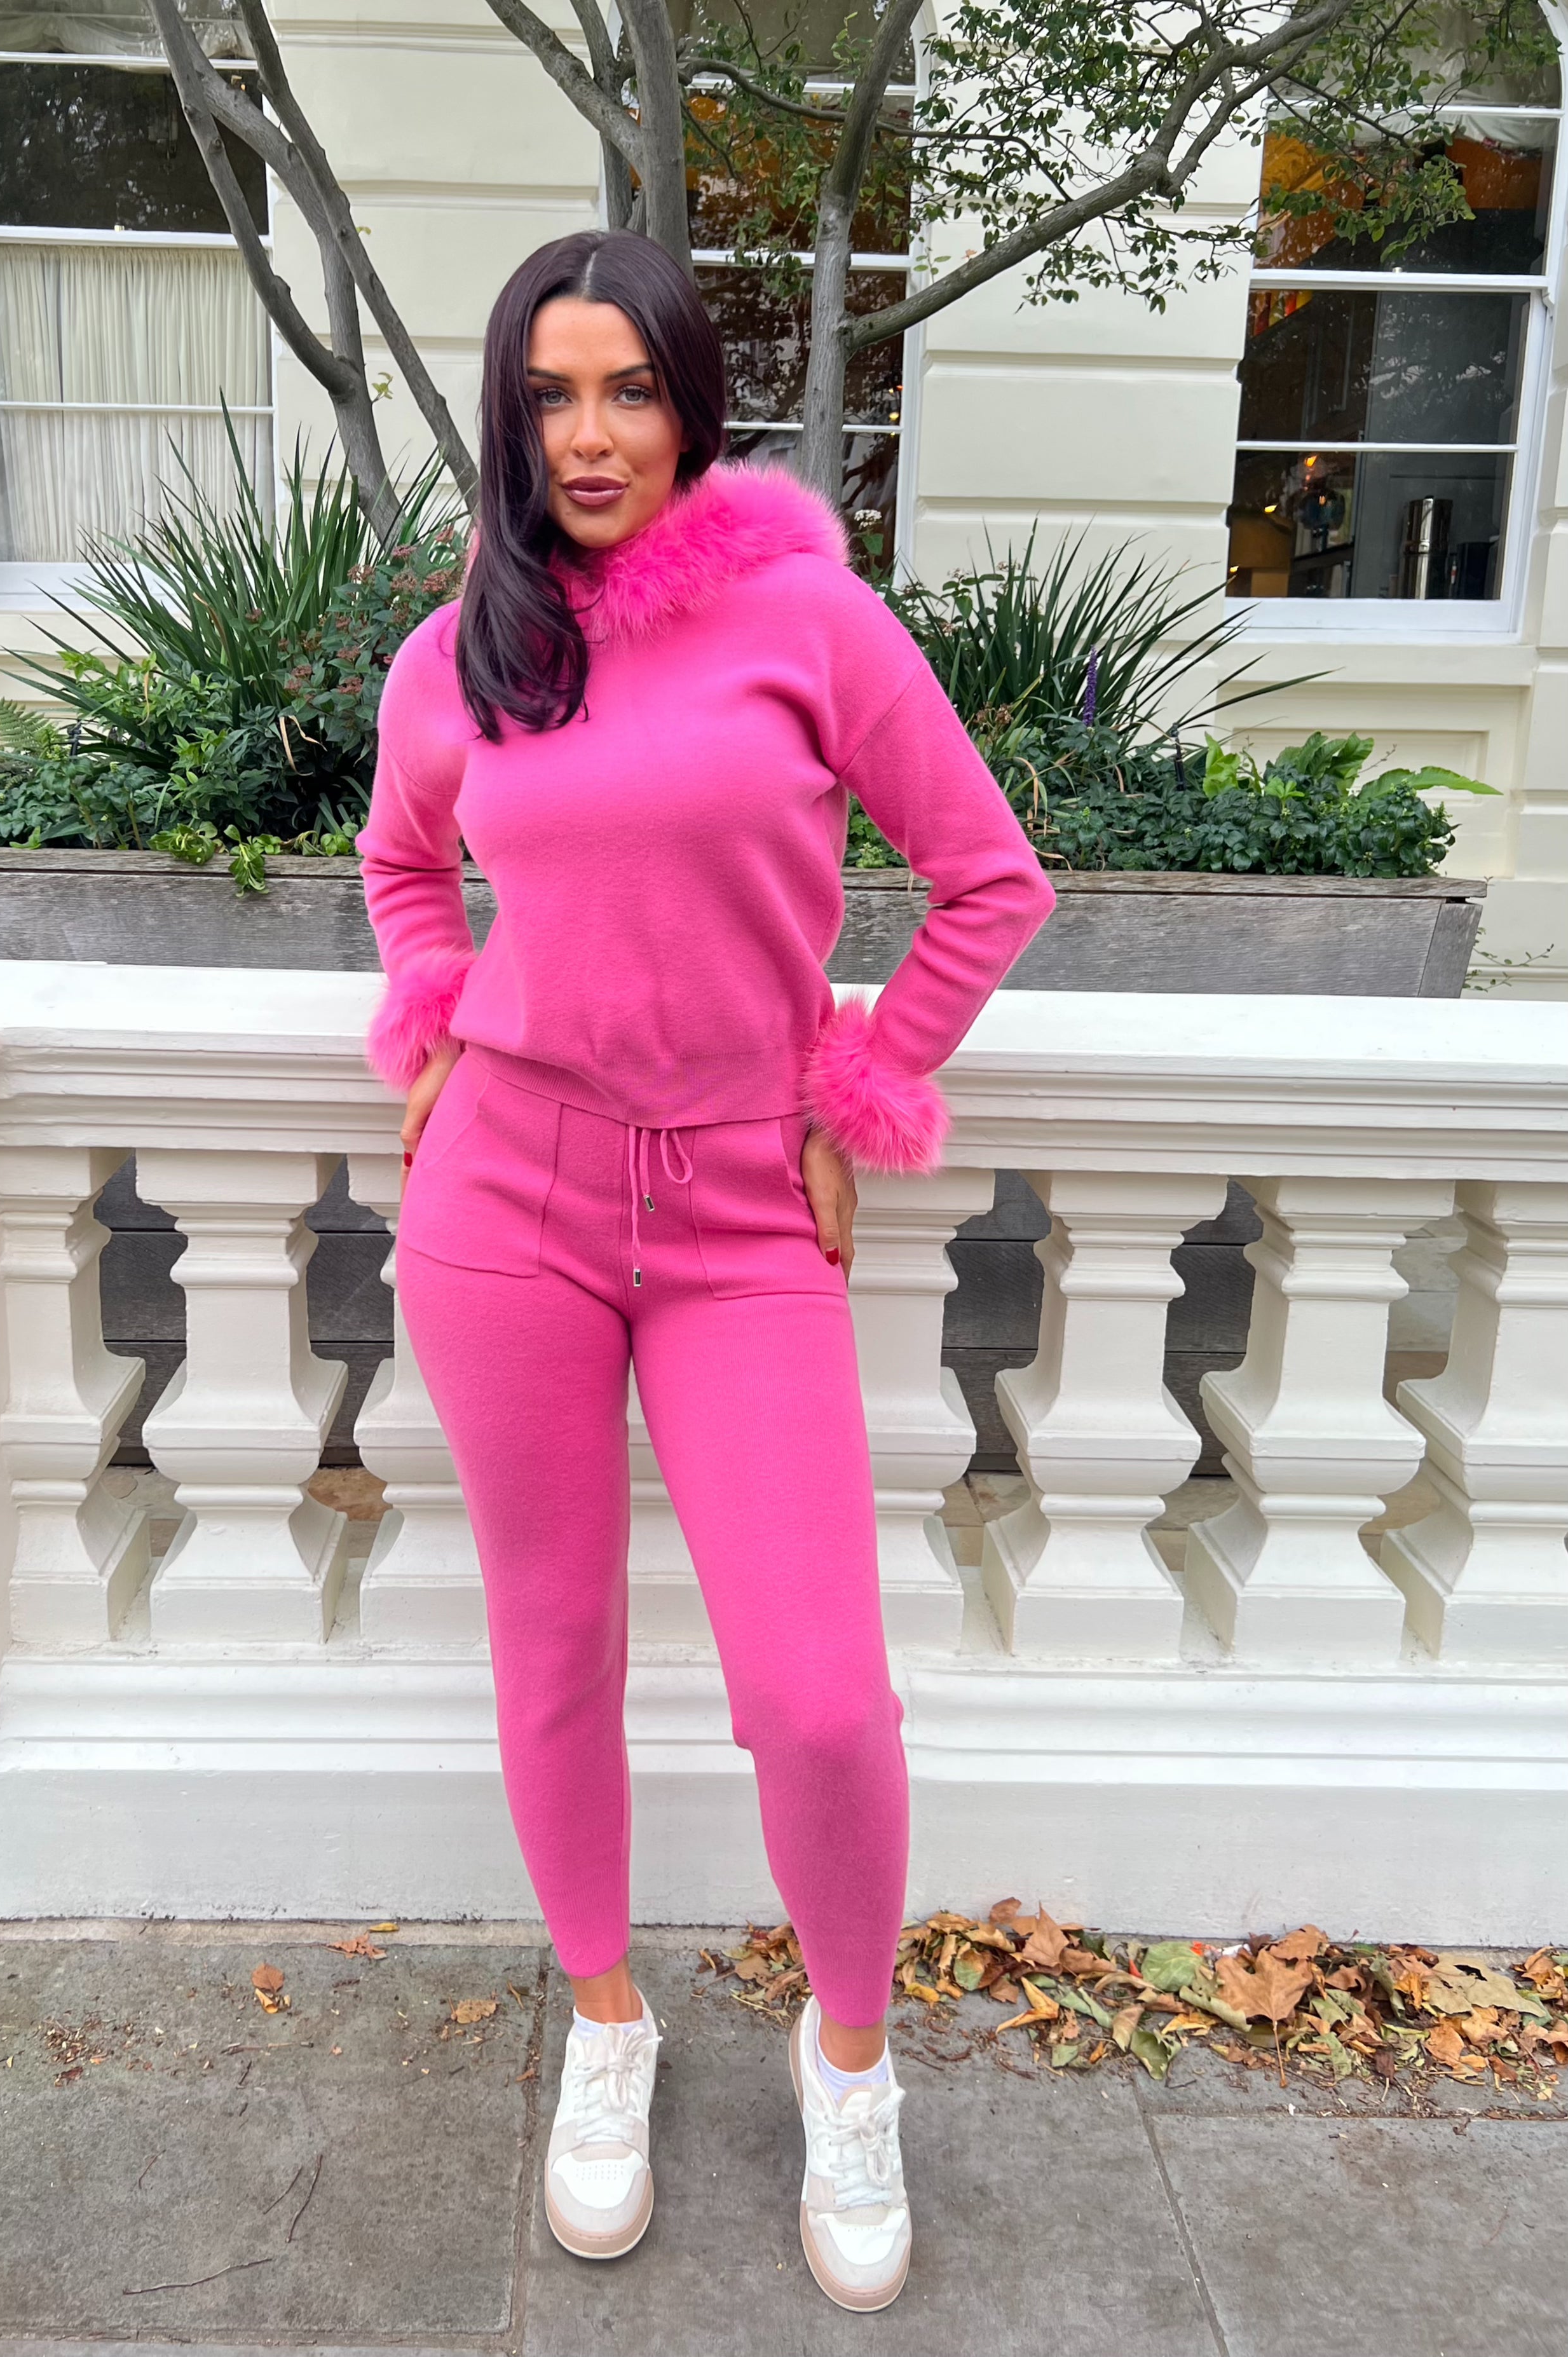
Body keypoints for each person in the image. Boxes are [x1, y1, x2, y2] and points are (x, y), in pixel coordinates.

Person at [357, 226, 1054, 2313]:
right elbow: (402, 859)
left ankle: (851, 2060)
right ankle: (607, 2018)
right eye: (550, 396)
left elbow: (989, 878)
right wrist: (432, 1011)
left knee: (817, 1694)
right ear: (512, 421)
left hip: (747, 1210)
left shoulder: (808, 619)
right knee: (554, 1641)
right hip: (510, 1200)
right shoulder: (466, 650)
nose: (590, 436)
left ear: (692, 404)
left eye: (630, 390)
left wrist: (861, 1083)